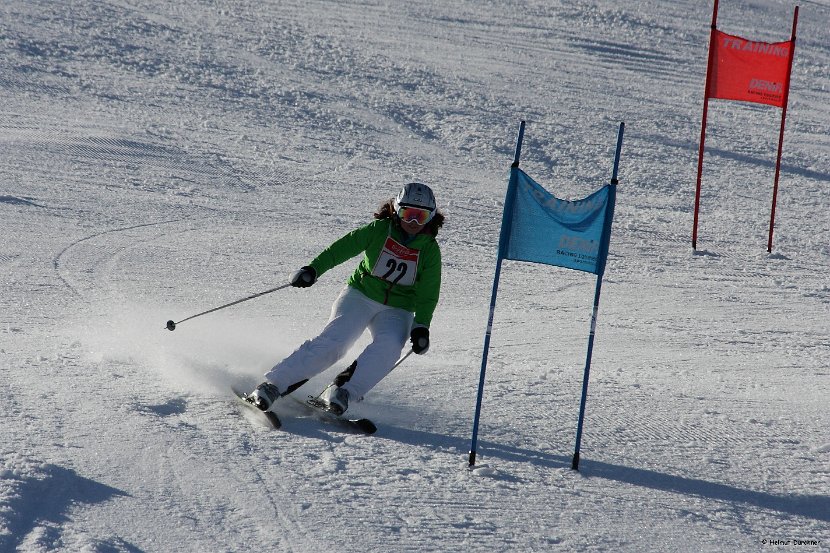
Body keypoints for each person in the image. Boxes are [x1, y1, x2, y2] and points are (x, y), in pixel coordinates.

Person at [249, 182, 444, 415]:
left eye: (420, 217)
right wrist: (313, 269)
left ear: (430, 218)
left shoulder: (430, 251)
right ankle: (272, 386)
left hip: (398, 308)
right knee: (337, 341)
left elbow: (429, 293)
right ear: (395, 210)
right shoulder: (379, 230)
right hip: (361, 294)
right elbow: (342, 248)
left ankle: (342, 392)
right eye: (407, 214)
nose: (412, 223)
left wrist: (421, 326)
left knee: (390, 346)